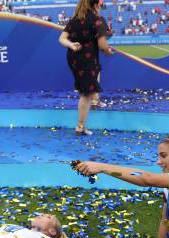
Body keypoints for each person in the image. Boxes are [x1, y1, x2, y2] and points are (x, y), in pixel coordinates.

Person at [59, 0, 113, 136]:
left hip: (74, 57)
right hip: (88, 57)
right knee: (86, 93)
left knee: (94, 74)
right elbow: (102, 45)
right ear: (95, 4)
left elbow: (62, 39)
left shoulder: (74, 20)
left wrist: (71, 45)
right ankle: (80, 127)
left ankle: (96, 99)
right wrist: (108, 51)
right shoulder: (98, 20)